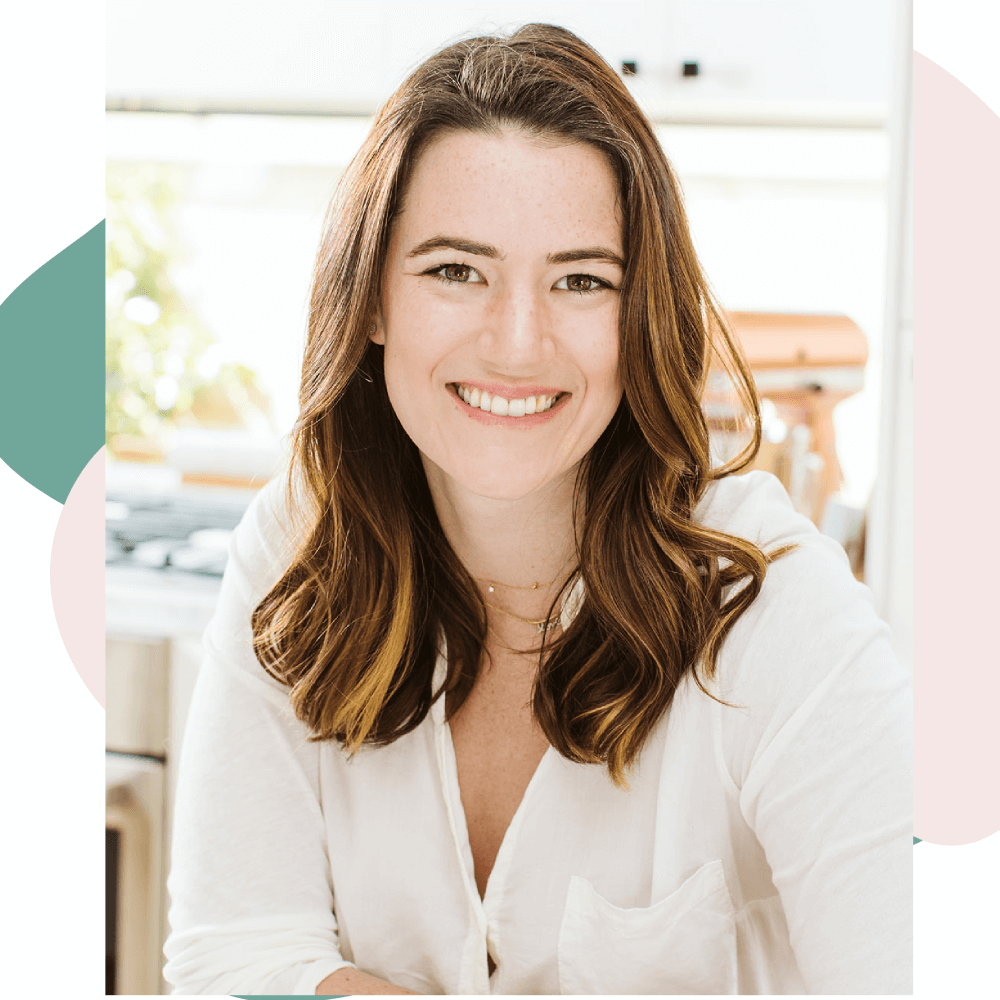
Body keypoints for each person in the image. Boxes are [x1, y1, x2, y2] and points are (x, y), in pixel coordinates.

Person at [162, 23, 911, 996]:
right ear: (374, 300)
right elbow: (234, 955)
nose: (517, 342)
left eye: (580, 280)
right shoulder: (299, 549)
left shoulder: (774, 607)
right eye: (455, 270)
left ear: (636, 315)